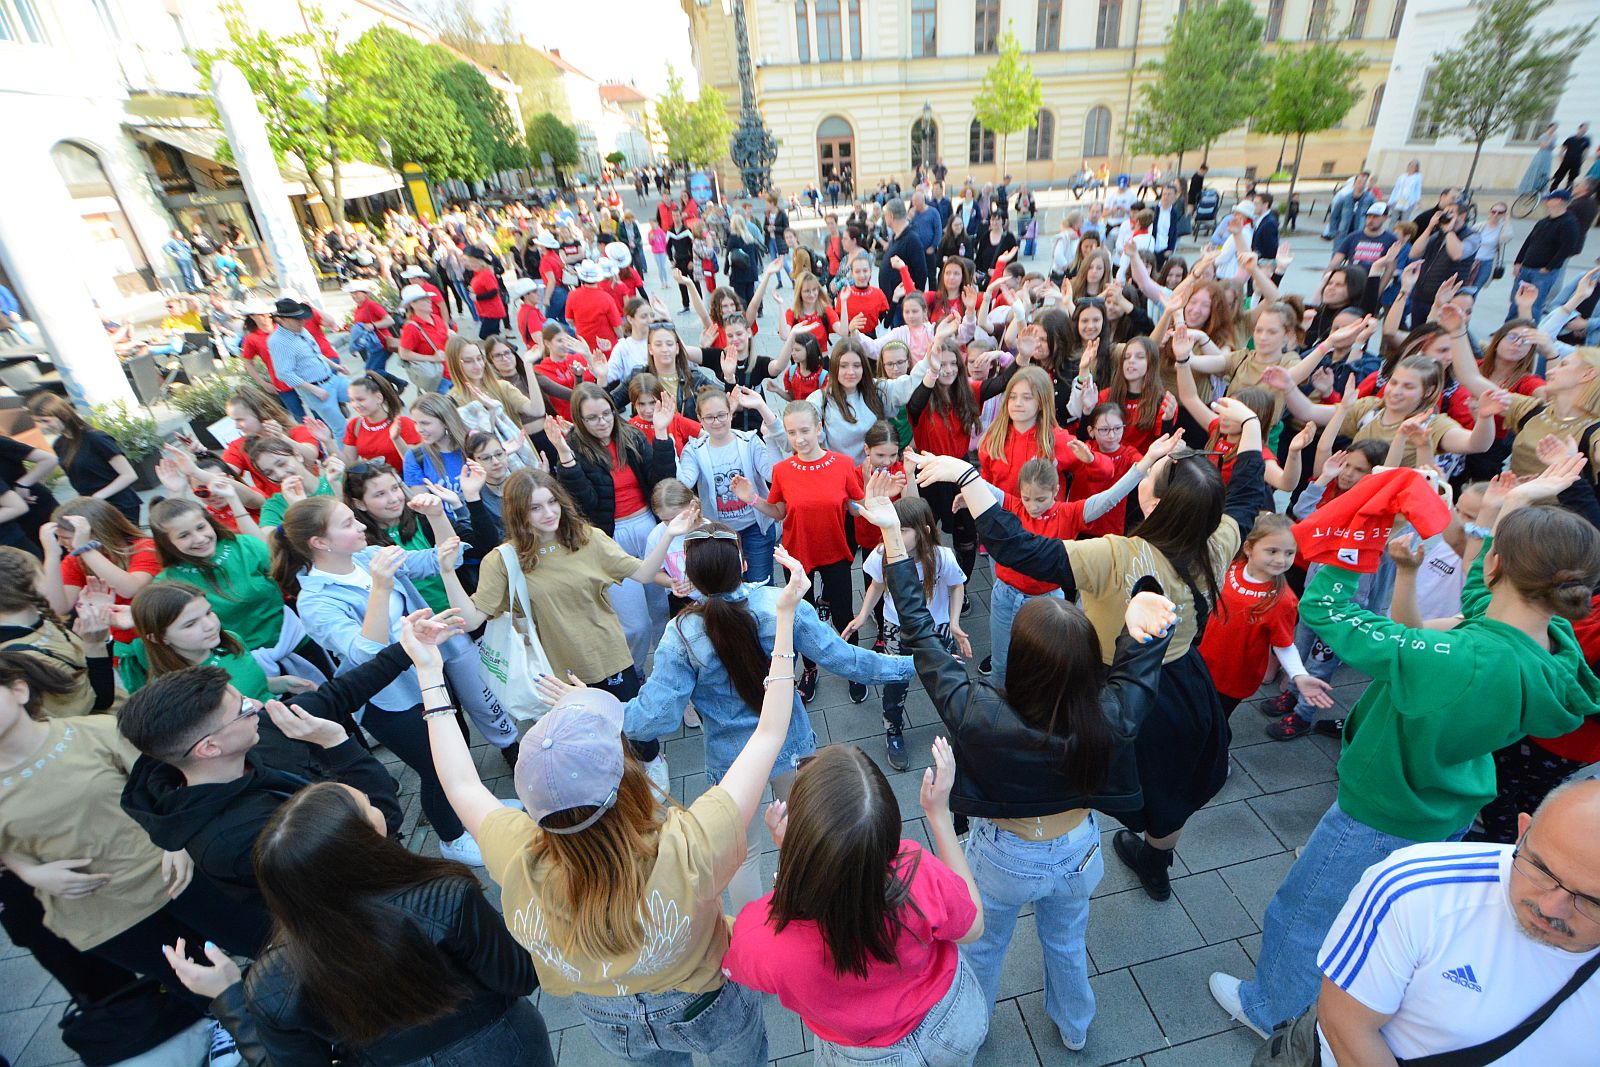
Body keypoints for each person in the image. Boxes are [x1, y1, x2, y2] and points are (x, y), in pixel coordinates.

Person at [1216, 462, 1600, 1038]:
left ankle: (1268, 1009)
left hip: (1383, 809)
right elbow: (1485, 595)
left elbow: (1328, 613)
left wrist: (1354, 540)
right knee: (1384, 911)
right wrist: (1509, 506)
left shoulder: (1455, 658)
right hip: (1447, 802)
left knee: (1304, 911)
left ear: (1498, 564)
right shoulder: (1552, 644)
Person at [419, 553, 807, 1067]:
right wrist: (784, 617)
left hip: (606, 1016)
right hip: (704, 1001)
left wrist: (430, 673)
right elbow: (770, 732)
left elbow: (459, 782)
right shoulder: (687, 844)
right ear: (627, 780)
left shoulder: (517, 853)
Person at [859, 468, 1177, 1049]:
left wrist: (891, 538)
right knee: (1067, 943)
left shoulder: (976, 711)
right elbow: (1136, 673)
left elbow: (922, 634)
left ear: (1021, 660)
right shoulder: (1111, 715)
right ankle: (1075, 1030)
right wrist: (1140, 628)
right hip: (1078, 850)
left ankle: (973, 1031)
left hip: (1005, 855)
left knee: (982, 948)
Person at [943, 400, 1270, 901]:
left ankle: (1059, 848)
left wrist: (967, 478)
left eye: (1153, 472)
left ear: (1155, 504)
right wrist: (1249, 426)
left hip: (1104, 685)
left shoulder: (1116, 555)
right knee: (1172, 785)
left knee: (1079, 769)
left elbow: (1020, 548)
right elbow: (1247, 490)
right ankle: (1155, 863)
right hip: (1182, 688)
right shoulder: (1220, 538)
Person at [165, 781, 556, 1067]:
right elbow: (520, 977)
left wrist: (229, 996)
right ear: (363, 842)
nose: (377, 805)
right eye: (367, 805)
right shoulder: (445, 897)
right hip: (504, 1046)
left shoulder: (271, 980)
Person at [0, 649, 264, 1018]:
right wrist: (30, 872)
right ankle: (241, 1029)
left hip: (179, 877)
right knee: (197, 987)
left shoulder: (93, 733)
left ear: (19, 690)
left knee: (270, 948)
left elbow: (173, 781)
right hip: (106, 911)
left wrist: (179, 837)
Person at [723, 735, 988, 1065]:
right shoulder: (914, 870)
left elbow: (737, 964)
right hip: (951, 1021)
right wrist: (938, 815)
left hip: (861, 1055)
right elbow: (973, 927)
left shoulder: (765, 936)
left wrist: (795, 857)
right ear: (888, 831)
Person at [1314, 779, 1600, 1065]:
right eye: (1540, 869)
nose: (1550, 907)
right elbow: (1346, 1025)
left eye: (1592, 901)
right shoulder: (1417, 889)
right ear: (1522, 832)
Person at [25, 394, 141, 524]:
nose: (42, 426)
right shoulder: (59, 444)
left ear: (63, 415)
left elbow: (128, 475)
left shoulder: (96, 438)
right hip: (94, 509)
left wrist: (96, 497)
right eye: (38, 422)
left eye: (46, 421)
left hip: (120, 505)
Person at [268, 298, 350, 435]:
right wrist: (315, 390)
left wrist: (335, 366)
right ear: (283, 320)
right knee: (340, 427)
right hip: (315, 388)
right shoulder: (278, 341)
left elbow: (314, 353)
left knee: (365, 395)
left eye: (302, 318)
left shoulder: (302, 330)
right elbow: (284, 373)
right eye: (297, 319)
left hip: (331, 378)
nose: (302, 321)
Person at [1509, 189, 1584, 322]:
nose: (1546, 201)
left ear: (1558, 201)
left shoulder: (1569, 223)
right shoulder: (1543, 221)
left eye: (1549, 199)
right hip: (1526, 267)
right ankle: (1509, 326)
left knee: (1535, 304)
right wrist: (1518, 262)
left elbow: (1566, 249)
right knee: (1516, 300)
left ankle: (1529, 330)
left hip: (1542, 272)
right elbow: (1529, 241)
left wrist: (1549, 267)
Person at [1552, 121, 1592, 191]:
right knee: (1559, 177)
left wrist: (1581, 161)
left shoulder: (1586, 141)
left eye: (1586, 129)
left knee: (1571, 179)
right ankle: (1552, 191)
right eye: (1584, 128)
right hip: (1566, 161)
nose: (1584, 130)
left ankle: (1567, 192)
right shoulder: (1570, 139)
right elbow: (1562, 150)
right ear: (1579, 128)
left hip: (1576, 162)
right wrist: (1561, 160)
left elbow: (1586, 153)